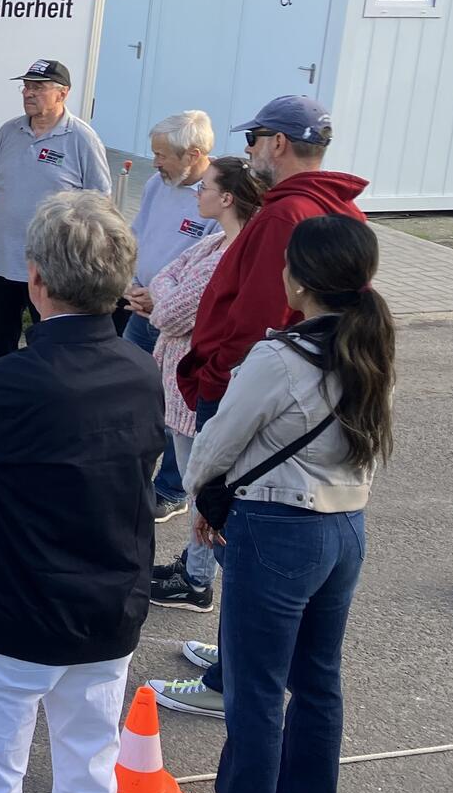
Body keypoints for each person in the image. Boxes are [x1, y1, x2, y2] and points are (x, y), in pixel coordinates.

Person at [156, 216, 395, 793]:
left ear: (305, 280)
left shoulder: (281, 355)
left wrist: (202, 496)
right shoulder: (372, 345)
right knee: (318, 681)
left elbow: (216, 443)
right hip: (345, 524)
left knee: (255, 692)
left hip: (278, 528)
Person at [0, 190, 165, 793]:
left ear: (36, 281)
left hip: (8, 622)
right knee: (91, 778)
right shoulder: (140, 369)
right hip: (108, 613)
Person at [156, 95, 367, 717]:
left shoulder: (286, 213)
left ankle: (231, 676)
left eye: (254, 140)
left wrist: (210, 378)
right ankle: (229, 655)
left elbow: (250, 317)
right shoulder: (334, 204)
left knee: (233, 530)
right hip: (307, 413)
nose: (249, 151)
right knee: (310, 660)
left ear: (278, 143)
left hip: (257, 392)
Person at [142, 157, 264, 612]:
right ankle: (195, 570)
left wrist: (160, 304)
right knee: (199, 489)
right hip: (181, 386)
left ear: (227, 198)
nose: (198, 193)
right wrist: (163, 297)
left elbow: (169, 310)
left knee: (202, 491)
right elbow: (165, 276)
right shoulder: (214, 243)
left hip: (195, 393)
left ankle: (199, 583)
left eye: (206, 187)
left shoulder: (231, 256)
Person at [0, 58, 112, 360]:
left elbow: (99, 203)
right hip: (2, 263)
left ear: (62, 93)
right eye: (26, 86)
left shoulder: (81, 138)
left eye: (38, 87)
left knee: (52, 349)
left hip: (54, 267)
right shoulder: (8, 132)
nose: (29, 93)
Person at [122, 111, 219, 521]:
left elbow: (209, 267)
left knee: (177, 408)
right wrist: (129, 280)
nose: (155, 162)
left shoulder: (217, 196)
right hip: (140, 310)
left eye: (162, 155)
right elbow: (137, 233)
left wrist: (159, 301)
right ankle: (127, 473)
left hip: (182, 323)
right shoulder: (156, 184)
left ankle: (171, 489)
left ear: (193, 155)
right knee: (125, 387)